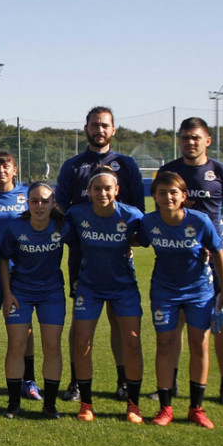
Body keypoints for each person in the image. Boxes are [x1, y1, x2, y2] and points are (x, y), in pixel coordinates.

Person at [56, 106, 145, 402]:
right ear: (86, 129)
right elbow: (60, 209)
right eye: (95, 125)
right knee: (80, 321)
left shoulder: (126, 164)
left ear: (113, 130)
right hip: (82, 255)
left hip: (118, 254)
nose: (100, 130)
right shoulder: (73, 166)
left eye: (105, 125)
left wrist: (125, 241)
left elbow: (136, 211)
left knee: (119, 319)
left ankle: (122, 381)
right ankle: (77, 381)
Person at [157, 117, 223, 407]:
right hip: (180, 261)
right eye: (184, 137)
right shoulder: (170, 171)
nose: (190, 142)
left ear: (207, 140)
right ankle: (173, 382)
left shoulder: (221, 172)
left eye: (196, 137)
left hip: (212, 260)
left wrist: (213, 242)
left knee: (222, 318)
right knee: (179, 320)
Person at [138, 172, 223, 429]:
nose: (168, 197)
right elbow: (135, 240)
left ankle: (196, 409)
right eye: (162, 193)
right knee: (165, 344)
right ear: (154, 196)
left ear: (183, 196)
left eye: (173, 193)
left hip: (199, 292)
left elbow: (219, 253)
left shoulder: (200, 221)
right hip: (164, 291)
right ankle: (165, 408)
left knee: (198, 344)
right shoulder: (149, 222)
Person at [64, 166, 144, 423]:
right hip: (90, 287)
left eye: (108, 188)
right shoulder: (76, 214)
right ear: (88, 191)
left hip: (124, 288)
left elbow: (151, 235)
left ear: (117, 190)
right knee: (82, 341)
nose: (102, 193)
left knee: (131, 342)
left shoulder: (131, 216)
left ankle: (133, 405)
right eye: (96, 188)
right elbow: (54, 229)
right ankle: (86, 404)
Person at [0, 182, 68, 419]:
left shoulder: (62, 226)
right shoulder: (16, 227)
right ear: (27, 203)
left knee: (52, 347)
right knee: (16, 345)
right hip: (21, 293)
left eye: (45, 201)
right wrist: (7, 294)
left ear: (52, 203)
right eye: (34, 201)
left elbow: (82, 248)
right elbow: (3, 259)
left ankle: (49, 405)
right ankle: (14, 404)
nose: (39, 205)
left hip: (52, 294)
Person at [0, 151, 41, 402]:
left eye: (6, 166)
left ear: (14, 169)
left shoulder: (27, 196)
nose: (1, 171)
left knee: (23, 330)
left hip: (20, 273)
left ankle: (29, 380)